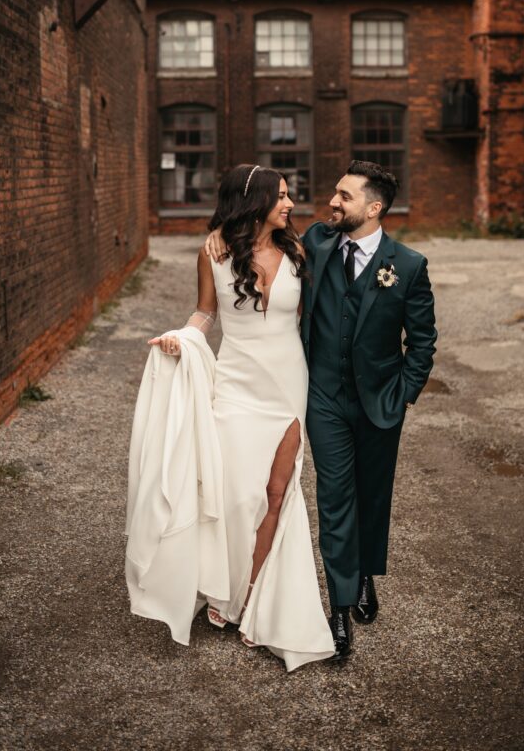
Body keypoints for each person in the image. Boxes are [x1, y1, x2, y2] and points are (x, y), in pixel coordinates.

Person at [207, 160, 437, 661]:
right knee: (335, 497)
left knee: (373, 496)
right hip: (322, 398)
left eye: (344, 196)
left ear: (373, 208)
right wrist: (224, 235)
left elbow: (423, 344)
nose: (332, 202)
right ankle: (336, 609)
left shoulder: (409, 266)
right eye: (335, 194)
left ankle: (363, 578)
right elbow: (258, 239)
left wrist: (404, 394)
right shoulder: (316, 243)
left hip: (380, 402)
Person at [143, 164, 334, 671]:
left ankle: (251, 596)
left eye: (291, 196)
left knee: (277, 491)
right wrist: (180, 340)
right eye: (283, 196)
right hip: (236, 384)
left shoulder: (299, 252)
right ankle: (222, 590)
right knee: (235, 494)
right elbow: (205, 313)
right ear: (255, 202)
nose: (290, 205)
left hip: (288, 384)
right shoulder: (215, 254)